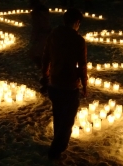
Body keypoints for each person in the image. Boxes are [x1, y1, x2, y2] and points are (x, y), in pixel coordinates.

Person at [41, 8, 87, 160]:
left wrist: (46, 75)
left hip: (54, 84)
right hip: (69, 85)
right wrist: (85, 85)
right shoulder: (78, 40)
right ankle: (56, 149)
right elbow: (82, 65)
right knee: (67, 121)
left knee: (58, 116)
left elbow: (46, 56)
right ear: (76, 22)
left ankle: (57, 143)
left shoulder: (53, 35)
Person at [28, 4, 51, 69]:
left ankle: (43, 68)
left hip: (42, 38)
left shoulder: (38, 19)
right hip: (43, 37)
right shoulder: (44, 19)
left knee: (39, 55)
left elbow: (35, 31)